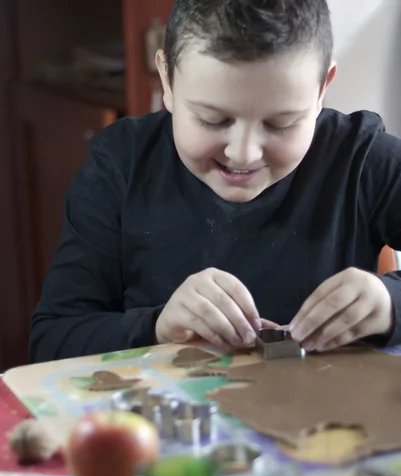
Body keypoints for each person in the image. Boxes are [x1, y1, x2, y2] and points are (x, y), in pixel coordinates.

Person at [29, 0, 401, 364]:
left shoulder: (361, 159)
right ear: (168, 80)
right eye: (212, 119)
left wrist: (390, 303)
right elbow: (52, 342)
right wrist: (157, 326)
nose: (244, 154)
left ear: (322, 89)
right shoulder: (120, 167)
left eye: (281, 124)